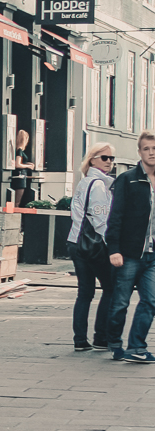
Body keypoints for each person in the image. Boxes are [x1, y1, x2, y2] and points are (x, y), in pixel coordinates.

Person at [105, 132, 155, 363]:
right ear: (140, 152)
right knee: (120, 302)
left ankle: (137, 346)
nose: (152, 152)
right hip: (129, 254)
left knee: (151, 300)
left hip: (153, 256)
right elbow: (116, 216)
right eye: (147, 149)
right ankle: (114, 341)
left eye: (154, 148)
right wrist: (114, 249)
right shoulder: (128, 179)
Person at [68, 144, 116, 352]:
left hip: (75, 241)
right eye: (104, 157)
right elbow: (101, 219)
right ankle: (101, 337)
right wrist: (112, 246)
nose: (109, 161)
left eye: (112, 158)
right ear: (92, 159)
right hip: (94, 245)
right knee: (110, 288)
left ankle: (80, 339)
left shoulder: (84, 182)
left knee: (85, 292)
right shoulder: (98, 185)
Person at [9, 129, 34, 207]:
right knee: (17, 200)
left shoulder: (18, 150)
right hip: (20, 177)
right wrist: (28, 166)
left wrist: (26, 163)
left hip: (20, 176)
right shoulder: (20, 150)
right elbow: (18, 164)